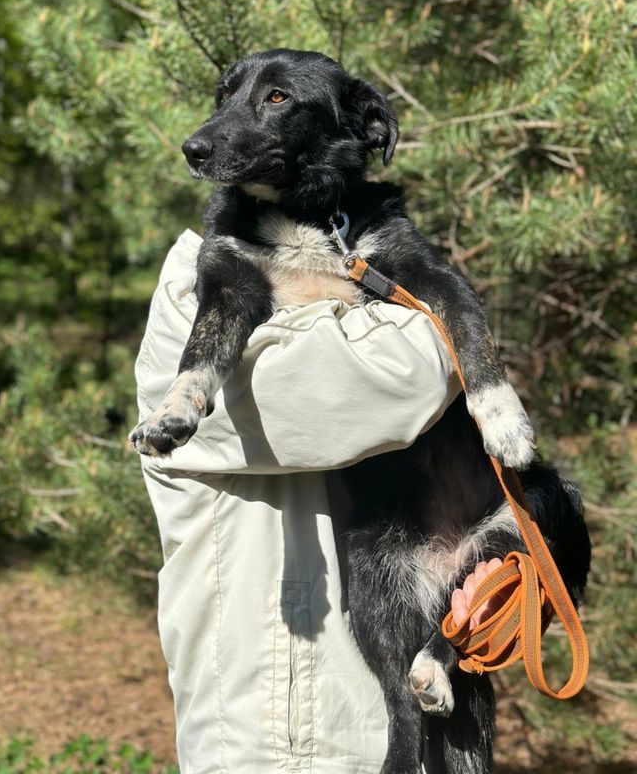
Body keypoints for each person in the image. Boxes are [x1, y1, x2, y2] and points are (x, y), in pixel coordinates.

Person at [136, 229, 503, 774]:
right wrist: (447, 316)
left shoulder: (349, 263)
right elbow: (410, 379)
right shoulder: (194, 293)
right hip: (285, 742)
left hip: (418, 703)